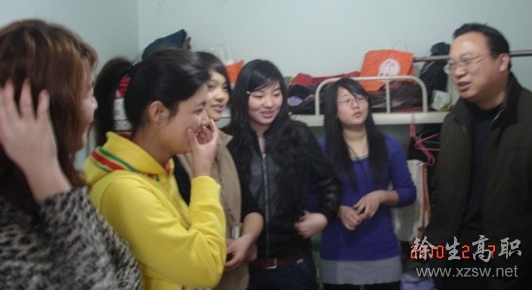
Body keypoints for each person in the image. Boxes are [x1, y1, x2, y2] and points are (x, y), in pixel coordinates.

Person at [0, 19, 141, 289]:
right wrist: (44, 170)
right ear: (46, 108)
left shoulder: (64, 184)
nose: (94, 106)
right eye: (86, 94)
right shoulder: (11, 222)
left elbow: (126, 263)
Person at [84, 48, 226, 290]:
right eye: (197, 110)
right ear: (158, 112)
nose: (205, 120)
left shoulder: (158, 169)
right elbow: (206, 268)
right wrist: (203, 175)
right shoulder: (124, 190)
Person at [424, 23, 532, 289]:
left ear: (502, 61)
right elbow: (441, 191)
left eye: (468, 61)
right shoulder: (454, 121)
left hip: (513, 271)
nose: (458, 72)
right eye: (452, 65)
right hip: (453, 264)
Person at [225, 59, 341, 290]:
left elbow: (329, 183)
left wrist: (323, 216)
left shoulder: (298, 135)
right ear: (242, 98)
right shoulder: (226, 141)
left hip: (294, 264)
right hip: (244, 265)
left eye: (276, 94)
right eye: (259, 96)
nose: (269, 103)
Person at [173, 51, 264, 290]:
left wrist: (246, 240)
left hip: (238, 279)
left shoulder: (226, 144)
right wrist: (227, 247)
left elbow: (250, 208)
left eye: (224, 88)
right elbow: (183, 227)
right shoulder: (176, 153)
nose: (221, 96)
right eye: (211, 87)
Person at [319, 78, 416, 290]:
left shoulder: (389, 145)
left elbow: (408, 192)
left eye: (360, 98)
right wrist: (337, 210)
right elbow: (309, 195)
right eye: (347, 100)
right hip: (338, 254)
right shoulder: (322, 150)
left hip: (382, 252)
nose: (356, 104)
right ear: (334, 112)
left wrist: (381, 196)